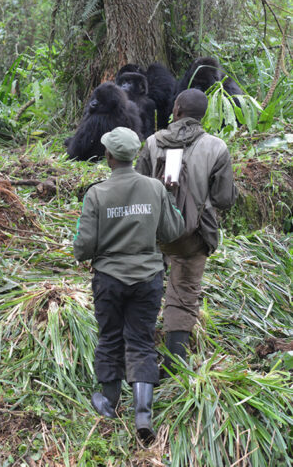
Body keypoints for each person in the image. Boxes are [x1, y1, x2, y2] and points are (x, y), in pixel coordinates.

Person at [74, 126, 184, 443]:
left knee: (110, 338)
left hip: (109, 279)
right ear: (134, 156)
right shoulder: (155, 188)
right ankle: (143, 414)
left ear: (108, 157)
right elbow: (172, 232)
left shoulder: (96, 194)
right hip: (149, 278)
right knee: (140, 341)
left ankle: (109, 402)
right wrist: (169, 198)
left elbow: (83, 247)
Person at [135, 88, 237, 375]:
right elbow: (224, 199)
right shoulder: (216, 147)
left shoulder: (153, 142)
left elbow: (139, 186)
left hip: (152, 232)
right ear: (202, 115)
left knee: (145, 285)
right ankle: (173, 365)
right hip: (192, 237)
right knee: (183, 293)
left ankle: (137, 354)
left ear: (176, 109)